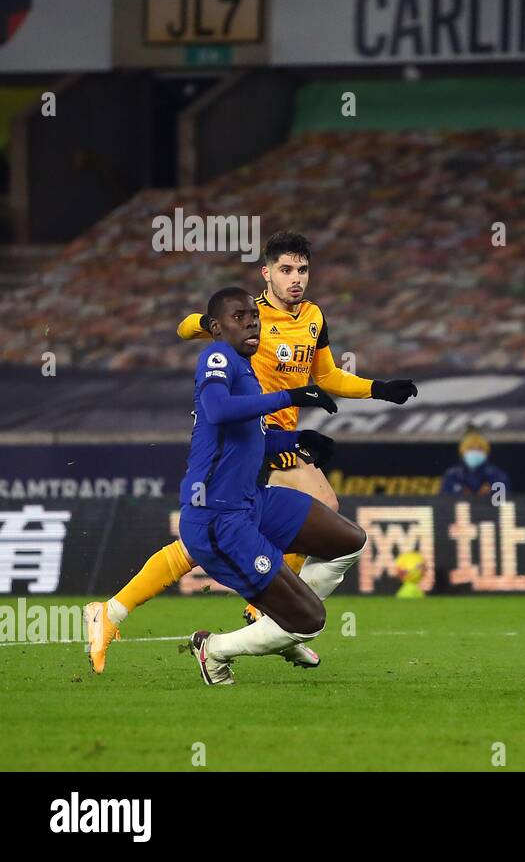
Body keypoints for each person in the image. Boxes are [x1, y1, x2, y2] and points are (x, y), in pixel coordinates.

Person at [83, 232, 418, 673]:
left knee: (197, 547)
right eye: (286, 270)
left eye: (302, 270)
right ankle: (275, 618)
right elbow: (189, 331)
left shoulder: (313, 317)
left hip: (274, 435)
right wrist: (203, 324)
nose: (296, 279)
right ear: (267, 273)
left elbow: (327, 376)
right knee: (321, 510)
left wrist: (377, 389)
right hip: (251, 437)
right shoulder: (246, 316)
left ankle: (118, 610)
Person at [173, 287, 366, 685]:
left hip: (251, 502)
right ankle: (215, 650)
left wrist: (298, 440)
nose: (251, 323)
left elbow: (251, 441)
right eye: (239, 317)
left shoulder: (247, 372)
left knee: (350, 541)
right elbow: (216, 409)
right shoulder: (217, 355)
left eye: (253, 317)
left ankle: (284, 620)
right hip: (218, 518)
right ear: (215, 327)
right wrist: (290, 395)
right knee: (311, 620)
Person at [440, 428, 511, 497]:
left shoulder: (497, 475)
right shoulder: (452, 475)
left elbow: (504, 502)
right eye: (470, 448)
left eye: (480, 448)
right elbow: (444, 502)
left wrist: (489, 495)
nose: (475, 451)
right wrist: (462, 493)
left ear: (486, 452)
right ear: (462, 451)